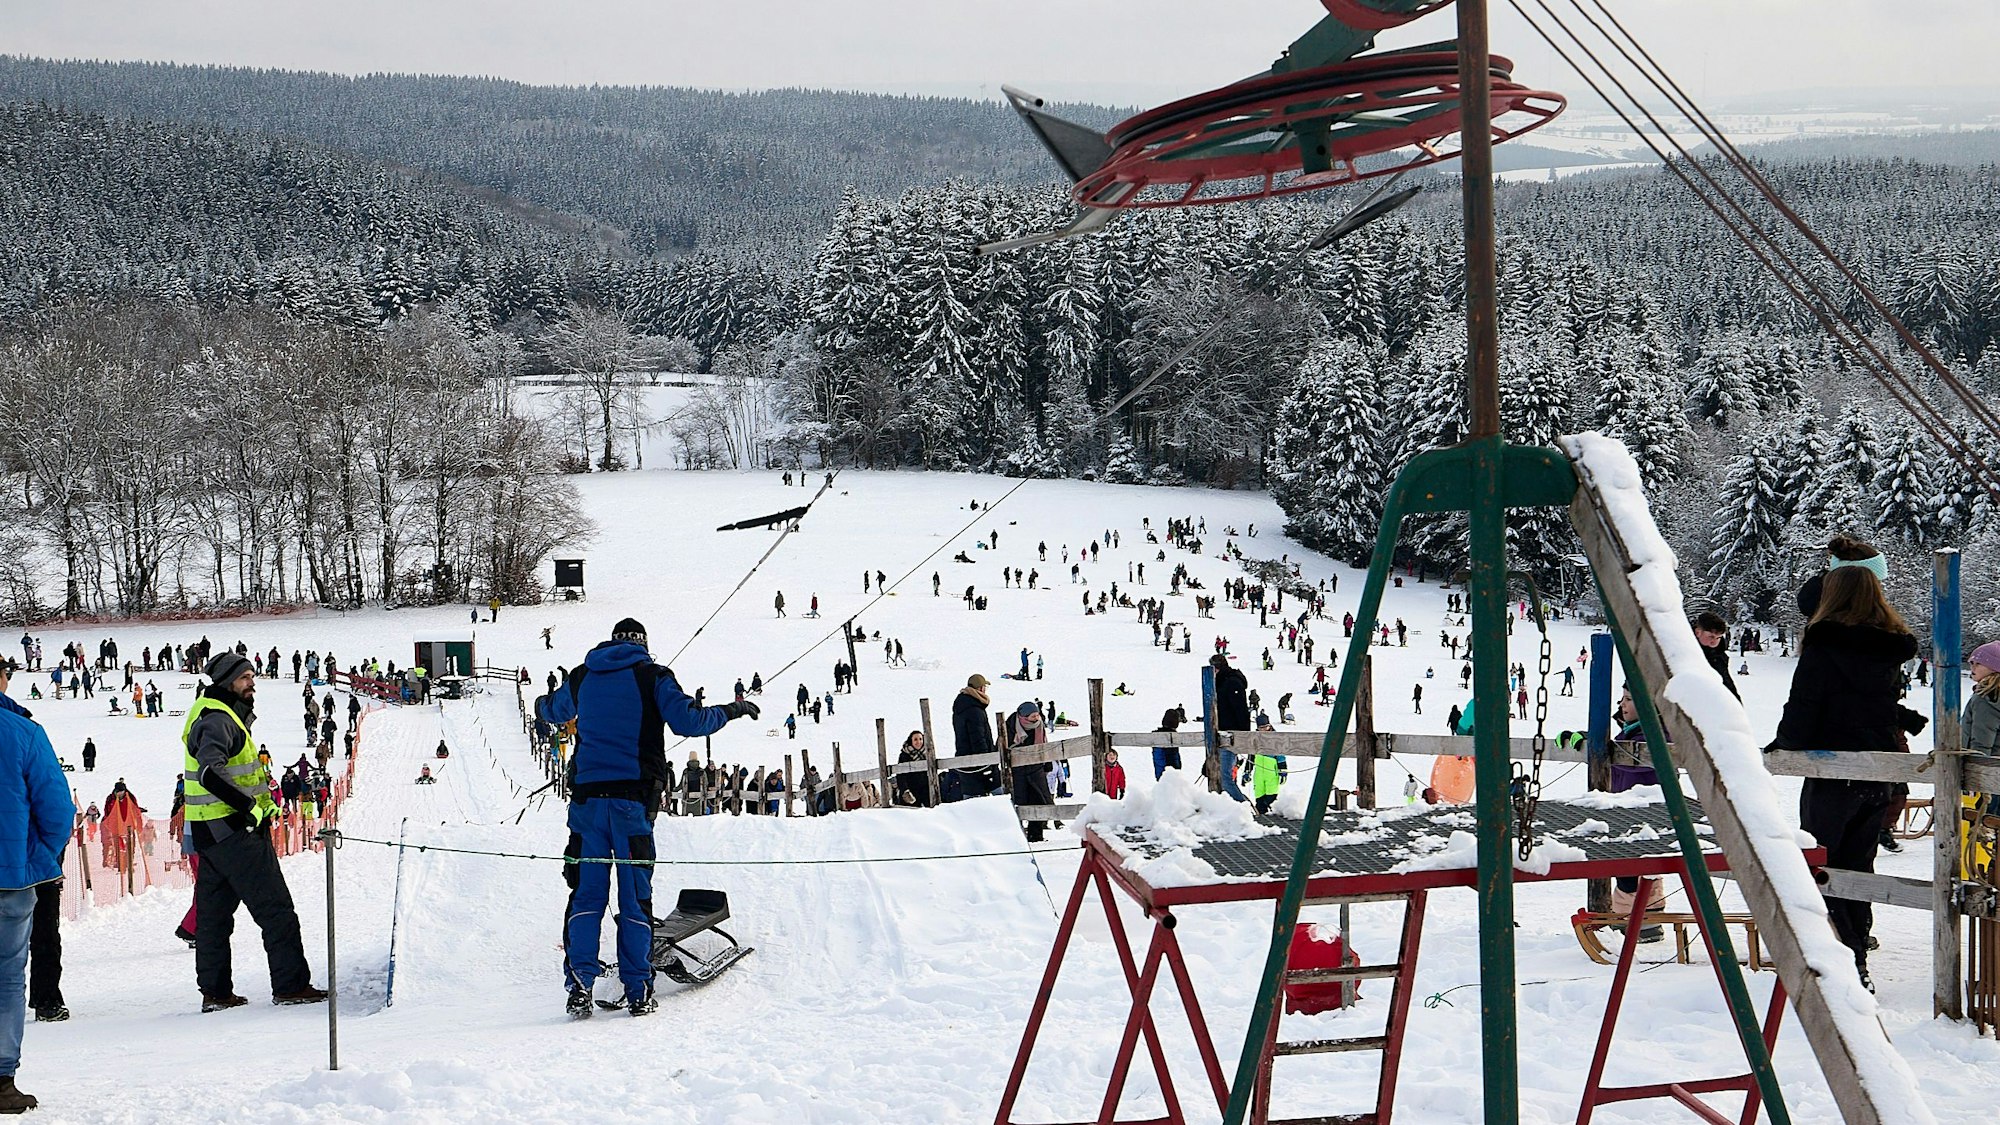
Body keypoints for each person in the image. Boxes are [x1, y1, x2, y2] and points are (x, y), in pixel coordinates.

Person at [535, 618, 756, 1019]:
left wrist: (541, 703)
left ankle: (580, 985)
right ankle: (637, 990)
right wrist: (733, 709)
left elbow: (553, 709)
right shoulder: (654, 675)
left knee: (585, 895)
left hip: (586, 803)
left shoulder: (584, 675)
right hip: (633, 802)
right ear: (643, 644)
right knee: (634, 896)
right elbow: (690, 722)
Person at [1770, 565, 1924, 992]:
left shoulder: (1826, 643)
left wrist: (1784, 744)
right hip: (1880, 769)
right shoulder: (1888, 647)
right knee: (1860, 863)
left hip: (1833, 769)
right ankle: (1856, 952)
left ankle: (1836, 956)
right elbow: (1882, 704)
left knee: (1820, 864)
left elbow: (1805, 702)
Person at [183, 652, 327, 1012]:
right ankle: (291, 984)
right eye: (245, 677)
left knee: (214, 918)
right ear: (227, 681)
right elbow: (209, 773)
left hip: (208, 833)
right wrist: (249, 808)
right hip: (235, 833)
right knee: (276, 910)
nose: (252, 683)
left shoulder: (212, 711)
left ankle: (215, 993)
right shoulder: (218, 719)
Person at [0, 657, 73, 1112]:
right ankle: (2, 1079)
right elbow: (57, 810)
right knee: (7, 977)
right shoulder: (24, 733)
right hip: (10, 879)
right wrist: (36, 860)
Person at [946, 674, 997, 802]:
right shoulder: (975, 710)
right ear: (980, 688)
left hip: (965, 763)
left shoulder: (961, 707)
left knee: (971, 803)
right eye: (984, 687)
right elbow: (978, 738)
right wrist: (987, 765)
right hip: (980, 766)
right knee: (998, 799)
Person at [1007, 702, 1053, 841]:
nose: (1036, 718)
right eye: (1033, 716)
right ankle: (1017, 837)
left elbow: (1044, 744)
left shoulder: (1039, 726)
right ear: (1024, 716)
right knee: (1018, 802)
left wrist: (1047, 762)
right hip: (1018, 771)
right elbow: (1004, 746)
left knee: (1038, 800)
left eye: (1037, 715)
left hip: (1036, 769)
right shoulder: (1010, 725)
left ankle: (1036, 835)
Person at [1209, 654, 1249, 802]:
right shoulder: (1220, 682)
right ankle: (1231, 808)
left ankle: (1244, 807)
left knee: (1225, 778)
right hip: (1221, 733)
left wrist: (1244, 736)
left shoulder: (1231, 683)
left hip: (1231, 734)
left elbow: (1241, 709)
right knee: (1221, 775)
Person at [1691, 610, 1741, 700]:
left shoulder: (1719, 656)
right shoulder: (1687, 651)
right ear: (1698, 632)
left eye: (1718, 638)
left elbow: (1727, 683)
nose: (1714, 642)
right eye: (1711, 637)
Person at [893, 731, 931, 807]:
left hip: (925, 792)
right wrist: (905, 791)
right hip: (911, 791)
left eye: (920, 739)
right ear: (911, 741)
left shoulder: (928, 753)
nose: (918, 742)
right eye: (915, 739)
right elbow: (900, 775)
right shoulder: (904, 755)